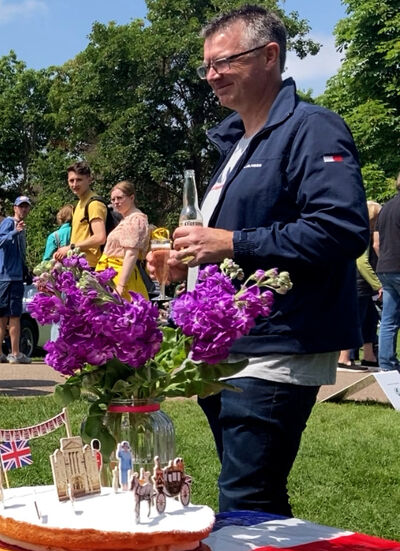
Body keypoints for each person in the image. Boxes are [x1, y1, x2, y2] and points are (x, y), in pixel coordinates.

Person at [152, 5, 368, 515]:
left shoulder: (312, 128)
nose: (211, 75)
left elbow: (341, 229)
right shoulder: (236, 143)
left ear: (270, 55)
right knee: (253, 494)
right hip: (228, 346)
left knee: (245, 499)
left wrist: (230, 243)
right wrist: (191, 263)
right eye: (205, 65)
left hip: (277, 347)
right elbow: (229, 243)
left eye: (224, 62)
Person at [339, 200, 383, 371]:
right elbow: (362, 262)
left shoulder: (366, 233)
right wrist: (378, 284)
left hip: (362, 286)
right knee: (355, 320)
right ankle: (344, 358)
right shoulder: (363, 234)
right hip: (359, 285)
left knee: (370, 321)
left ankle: (369, 357)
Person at [0, 196, 31, 364]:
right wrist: (15, 232)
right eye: (21, 206)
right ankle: (9, 353)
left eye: (26, 207)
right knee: (8, 316)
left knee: (10, 316)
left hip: (14, 276)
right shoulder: (9, 223)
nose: (23, 210)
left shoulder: (21, 226)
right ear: (14, 208)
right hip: (6, 277)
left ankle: (4, 353)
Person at [96, 181, 150, 299]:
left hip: (122, 276)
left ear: (131, 197)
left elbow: (131, 254)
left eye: (120, 198)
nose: (116, 202)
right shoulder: (126, 219)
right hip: (113, 274)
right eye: (113, 199)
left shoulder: (135, 220)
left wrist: (121, 285)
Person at [54, 162, 108, 267]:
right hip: (78, 264)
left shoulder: (94, 204)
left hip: (91, 266)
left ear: (89, 180)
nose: (74, 184)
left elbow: (100, 237)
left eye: (79, 180)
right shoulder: (79, 205)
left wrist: (71, 247)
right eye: (71, 180)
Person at [376, 172, 400, 372]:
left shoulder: (386, 208)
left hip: (385, 267)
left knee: (388, 320)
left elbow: (378, 242)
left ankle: (386, 364)